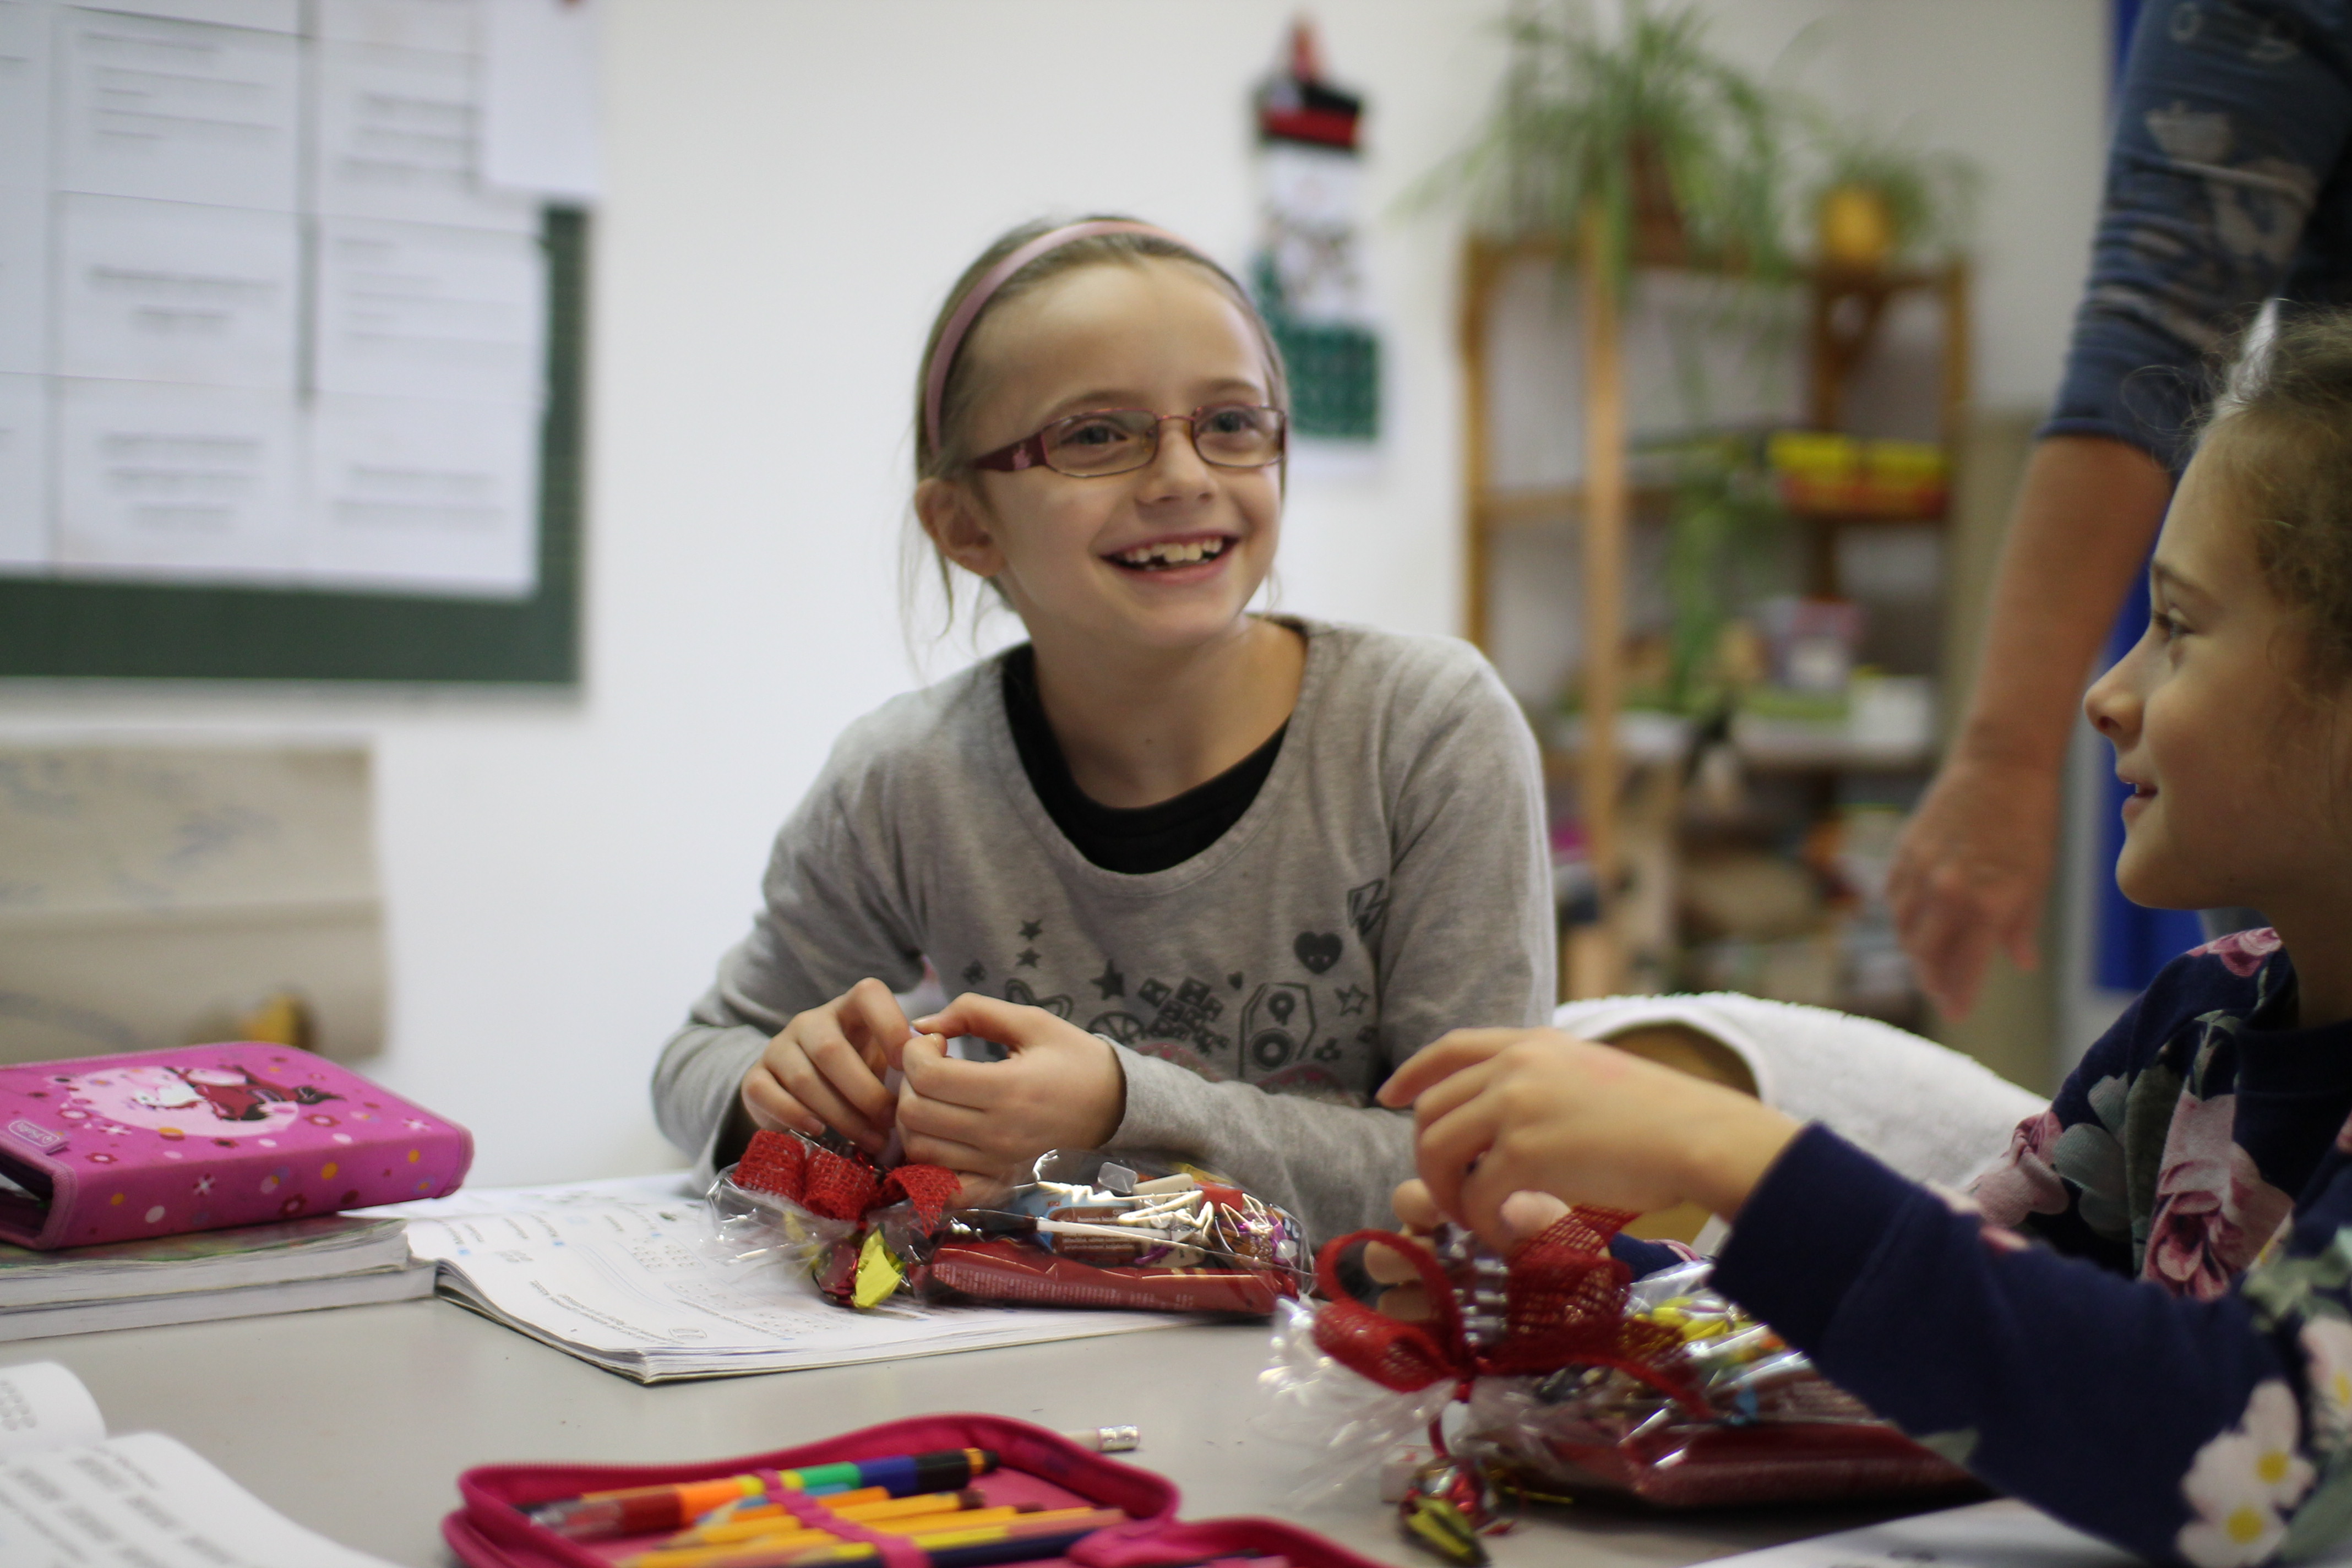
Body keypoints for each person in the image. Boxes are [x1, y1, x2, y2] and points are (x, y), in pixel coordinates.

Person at [1380, 314, 2352, 1566]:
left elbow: (2249, 1457)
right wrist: (1585, 1278)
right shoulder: (2195, 1022)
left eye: (2177, 625)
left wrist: (1726, 1145)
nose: (2108, 693)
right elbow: (1950, 1329)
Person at [651, 216, 1554, 1246]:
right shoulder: (906, 781)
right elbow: (699, 1058)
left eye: (1231, 422)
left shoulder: (1424, 732)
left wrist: (1125, 1111)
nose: (1182, 476)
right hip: (1013, 1337)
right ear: (967, 525)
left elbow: (1482, 1169)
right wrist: (772, 1091)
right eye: (1094, 436)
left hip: (1345, 1341)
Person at [1891, 0, 2352, 1016]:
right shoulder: (2174, 1058)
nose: (2103, 697)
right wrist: (2002, 758)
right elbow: (2145, 338)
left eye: (2178, 627)